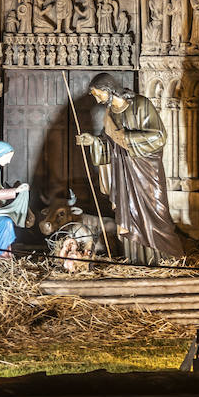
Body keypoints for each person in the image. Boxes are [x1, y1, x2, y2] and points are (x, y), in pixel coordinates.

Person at [75, 72, 183, 264]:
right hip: (123, 171)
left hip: (146, 169)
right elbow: (109, 141)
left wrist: (126, 138)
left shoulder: (141, 105)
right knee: (129, 214)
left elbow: (159, 136)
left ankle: (165, 258)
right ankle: (135, 259)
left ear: (108, 90)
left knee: (156, 211)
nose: (98, 99)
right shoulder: (110, 114)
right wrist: (93, 141)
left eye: (98, 94)